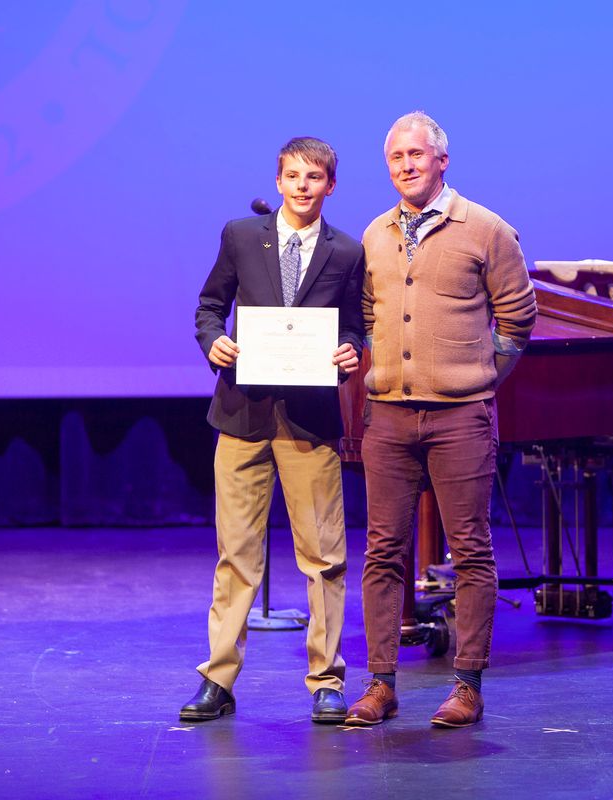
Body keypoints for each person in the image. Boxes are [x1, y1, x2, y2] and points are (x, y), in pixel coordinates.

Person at [345, 112, 537, 728]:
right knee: (383, 551)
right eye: (396, 157)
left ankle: (468, 686)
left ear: (441, 160)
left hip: (461, 418)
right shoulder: (374, 234)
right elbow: (368, 316)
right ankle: (380, 684)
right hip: (388, 417)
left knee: (471, 550)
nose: (406, 165)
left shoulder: (486, 229)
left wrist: (480, 378)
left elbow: (518, 318)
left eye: (417, 154)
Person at [182, 137, 365, 724]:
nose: (302, 186)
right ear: (279, 181)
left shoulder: (347, 251)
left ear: (330, 185)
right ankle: (218, 679)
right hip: (243, 415)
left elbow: (356, 326)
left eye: (314, 177)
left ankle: (327, 681)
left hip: (309, 421)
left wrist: (351, 351)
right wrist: (214, 341)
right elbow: (210, 306)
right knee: (235, 554)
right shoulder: (241, 236)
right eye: (292, 176)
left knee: (324, 556)